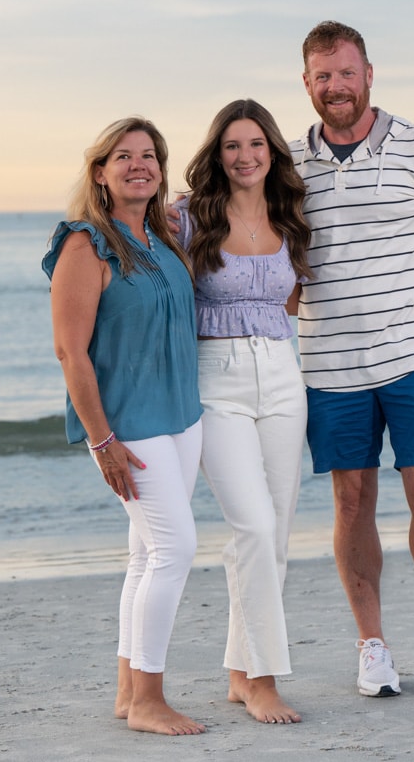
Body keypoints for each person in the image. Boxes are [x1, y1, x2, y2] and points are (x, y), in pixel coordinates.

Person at [290, 21, 414, 698]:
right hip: (329, 364)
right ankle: (372, 645)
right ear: (306, 83)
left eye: (346, 73)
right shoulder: (287, 164)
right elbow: (248, 230)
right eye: (322, 76)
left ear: (369, 74)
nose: (335, 86)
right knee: (351, 501)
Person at [42, 116, 206, 736]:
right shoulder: (85, 245)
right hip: (127, 427)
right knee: (175, 549)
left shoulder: (164, 239)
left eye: (150, 156)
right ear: (100, 172)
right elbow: (70, 353)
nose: (139, 165)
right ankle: (149, 701)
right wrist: (101, 439)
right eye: (124, 156)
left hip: (182, 418)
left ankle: (127, 691)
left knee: (145, 553)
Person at [174, 99, 312, 725]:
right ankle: (262, 679)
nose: (245, 156)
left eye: (256, 144)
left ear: (272, 152)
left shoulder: (291, 217)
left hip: (282, 374)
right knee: (253, 527)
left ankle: (238, 670)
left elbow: (296, 299)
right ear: (217, 154)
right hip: (217, 380)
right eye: (232, 145)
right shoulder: (189, 219)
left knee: (273, 534)